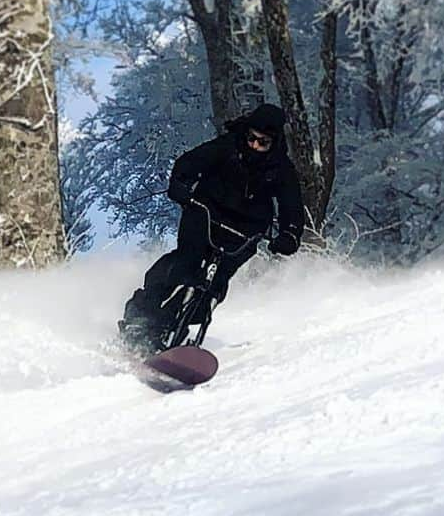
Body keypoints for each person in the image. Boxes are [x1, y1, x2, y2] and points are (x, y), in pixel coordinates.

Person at [118, 102, 305, 355]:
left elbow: (291, 204)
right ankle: (141, 319)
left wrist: (290, 234)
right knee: (184, 265)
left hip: (244, 231)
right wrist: (181, 185)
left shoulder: (281, 169)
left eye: (263, 143)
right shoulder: (226, 147)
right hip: (205, 215)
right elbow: (189, 163)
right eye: (251, 139)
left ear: (274, 143)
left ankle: (175, 328)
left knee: (213, 288)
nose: (254, 146)